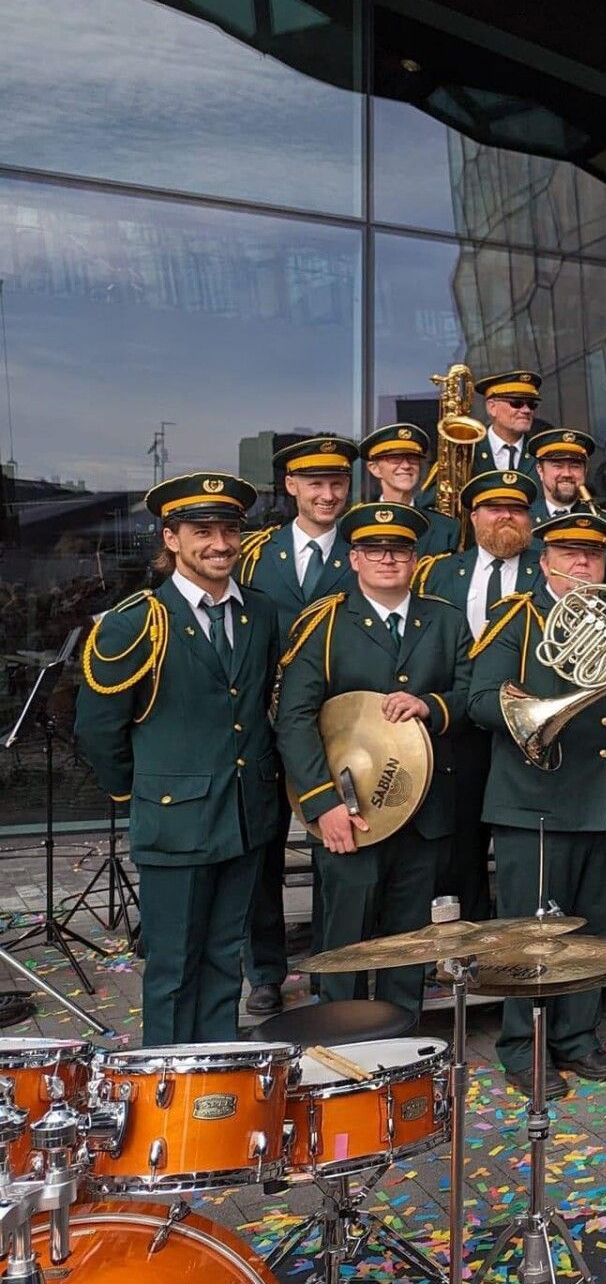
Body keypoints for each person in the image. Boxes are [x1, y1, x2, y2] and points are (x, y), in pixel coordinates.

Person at [468, 509, 606, 1096]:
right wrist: (534, 714)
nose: (581, 564)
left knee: (593, 933)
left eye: (592, 556)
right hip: (537, 799)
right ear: (545, 563)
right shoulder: (518, 618)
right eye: (568, 554)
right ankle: (523, 1045)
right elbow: (480, 699)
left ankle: (578, 1037)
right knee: (531, 933)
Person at [74, 473, 280, 1045]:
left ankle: (215, 1068)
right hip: (175, 822)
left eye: (229, 531)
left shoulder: (260, 612)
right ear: (171, 539)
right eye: (202, 531)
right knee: (172, 966)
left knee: (224, 958)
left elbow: (254, 706)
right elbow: (98, 729)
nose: (220, 544)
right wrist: (139, 793)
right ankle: (164, 1076)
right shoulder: (135, 621)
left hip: (245, 817)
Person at [276, 502, 471, 1024]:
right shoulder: (324, 624)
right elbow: (294, 719)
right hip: (350, 814)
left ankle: (401, 1038)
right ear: (354, 559)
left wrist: (432, 706)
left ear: (415, 559)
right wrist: (323, 805)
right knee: (345, 943)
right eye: (374, 549)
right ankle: (338, 1041)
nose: (388, 559)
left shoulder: (446, 621)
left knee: (409, 944)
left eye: (400, 550)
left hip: (423, 811)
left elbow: (473, 694)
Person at [234, 432, 357, 1017]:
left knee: (338, 845)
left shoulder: (361, 549)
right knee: (261, 852)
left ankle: (333, 964)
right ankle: (264, 971)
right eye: (315, 484)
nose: (327, 494)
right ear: (291, 487)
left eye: (337, 483)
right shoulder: (256, 553)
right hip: (262, 723)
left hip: (337, 727)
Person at [413, 469, 541, 920]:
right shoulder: (439, 573)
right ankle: (464, 942)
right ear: (473, 516)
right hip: (458, 732)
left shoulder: (548, 569)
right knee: (459, 849)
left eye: (517, 509)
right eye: (493, 508)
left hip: (526, 732)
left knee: (525, 851)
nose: (506, 516)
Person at [362, 423, 458, 555]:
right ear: (375, 468)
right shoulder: (359, 522)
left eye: (412, 458)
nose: (406, 466)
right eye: (395, 459)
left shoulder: (446, 528)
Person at [475, 369, 543, 473]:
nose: (526, 410)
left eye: (531, 404)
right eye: (516, 403)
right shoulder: (469, 451)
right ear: (492, 407)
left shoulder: (540, 453)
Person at [526, 427, 596, 527]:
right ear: (540, 470)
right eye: (558, 466)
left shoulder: (599, 520)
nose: (567, 474)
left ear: (585, 471)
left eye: (575, 466)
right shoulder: (523, 521)